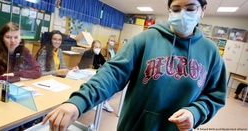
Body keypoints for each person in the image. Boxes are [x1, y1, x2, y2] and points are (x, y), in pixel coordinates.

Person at [42, 0, 227, 130]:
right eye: (176, 9)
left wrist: (196, 112)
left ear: (202, 9)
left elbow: (214, 96)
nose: (183, 14)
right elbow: (113, 73)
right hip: (135, 127)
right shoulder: (146, 39)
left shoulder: (210, 52)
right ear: (170, 10)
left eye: (190, 8)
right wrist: (78, 101)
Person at [0, 22, 41, 86]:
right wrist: (19, 78)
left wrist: (13, 74)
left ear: (20, 38)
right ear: (2, 38)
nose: (12, 41)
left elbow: (37, 72)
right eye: (8, 37)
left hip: (11, 86)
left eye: (16, 37)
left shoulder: (24, 50)